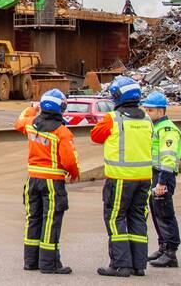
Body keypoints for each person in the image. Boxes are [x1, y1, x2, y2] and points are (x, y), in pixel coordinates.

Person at [91, 76, 154, 277]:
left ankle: (120, 264)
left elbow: (95, 136)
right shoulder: (146, 118)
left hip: (120, 178)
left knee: (115, 218)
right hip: (144, 178)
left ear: (117, 96)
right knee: (137, 218)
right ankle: (138, 265)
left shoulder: (113, 118)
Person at [14, 89, 79, 275]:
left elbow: (19, 121)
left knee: (32, 219)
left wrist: (32, 109)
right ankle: (49, 264)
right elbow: (69, 160)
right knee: (50, 221)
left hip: (33, 180)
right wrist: (74, 173)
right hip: (52, 182)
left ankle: (30, 261)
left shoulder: (31, 124)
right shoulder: (62, 131)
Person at [142, 91, 180, 268]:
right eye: (146, 109)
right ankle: (163, 247)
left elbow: (168, 157)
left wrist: (162, 183)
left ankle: (171, 252)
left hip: (163, 175)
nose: (147, 113)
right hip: (155, 174)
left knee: (164, 213)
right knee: (157, 212)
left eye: (150, 110)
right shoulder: (155, 127)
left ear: (161, 111)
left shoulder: (167, 130)